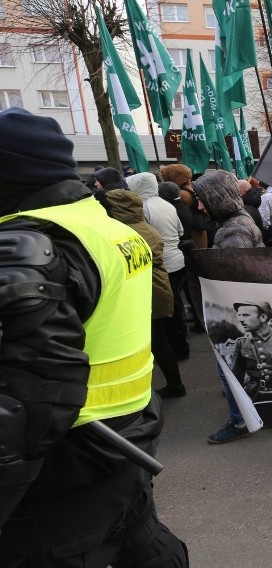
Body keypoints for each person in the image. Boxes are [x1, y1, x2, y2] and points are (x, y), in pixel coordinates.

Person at [0, 108, 187, 565]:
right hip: (126, 437)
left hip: (62, 466)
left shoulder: (29, 243)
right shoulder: (104, 226)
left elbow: (26, 401)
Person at [193, 170, 266, 443]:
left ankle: (240, 421)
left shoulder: (233, 230)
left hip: (236, 310)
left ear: (217, 198)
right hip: (245, 308)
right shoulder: (237, 221)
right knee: (251, 365)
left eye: (203, 200)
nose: (199, 206)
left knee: (230, 369)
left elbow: (235, 275)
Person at [101, 188, 187, 400]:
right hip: (156, 287)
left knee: (158, 341)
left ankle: (175, 385)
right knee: (161, 338)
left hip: (149, 291)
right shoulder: (143, 227)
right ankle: (174, 383)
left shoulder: (125, 233)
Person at [230, 301, 272, 403]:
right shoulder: (241, 343)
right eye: (239, 315)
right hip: (256, 395)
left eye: (246, 315)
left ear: (263, 317)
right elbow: (236, 378)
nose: (240, 319)